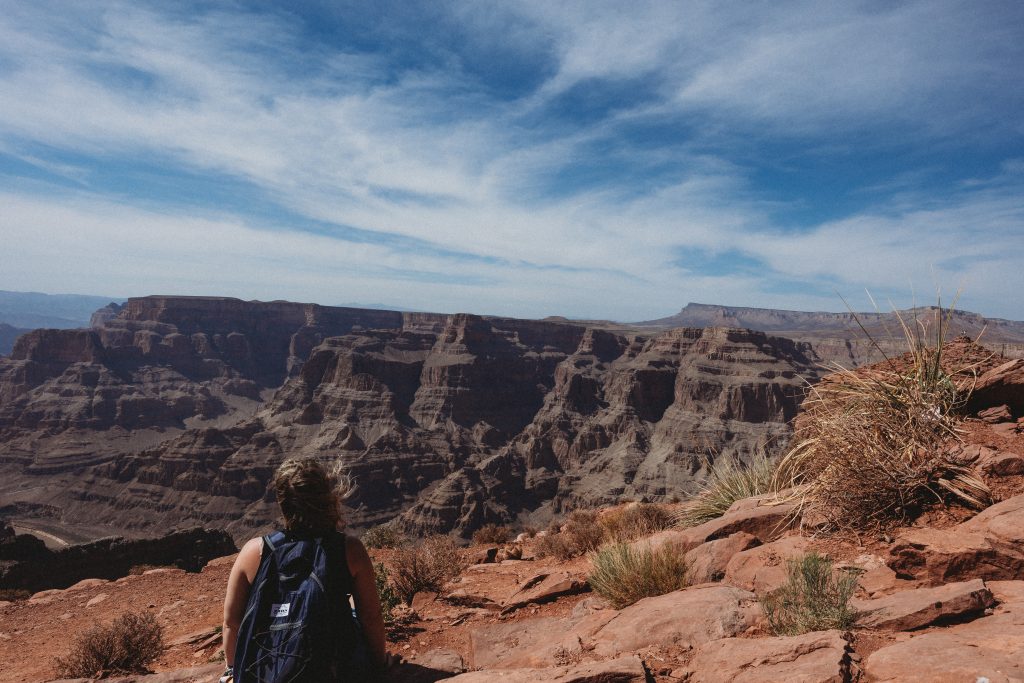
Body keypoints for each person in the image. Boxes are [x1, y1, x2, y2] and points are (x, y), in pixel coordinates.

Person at [221, 457, 388, 682]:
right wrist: (379, 666)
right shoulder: (348, 549)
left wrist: (232, 670)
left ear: (282, 502)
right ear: (325, 498)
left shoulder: (254, 551)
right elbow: (371, 617)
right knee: (353, 610)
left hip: (266, 669)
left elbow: (232, 622)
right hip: (333, 672)